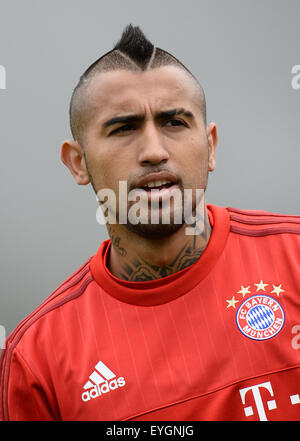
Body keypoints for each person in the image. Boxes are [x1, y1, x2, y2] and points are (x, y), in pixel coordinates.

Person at [1, 24, 300, 422]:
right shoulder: (38, 357)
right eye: (123, 128)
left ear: (210, 146)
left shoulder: (293, 258)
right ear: (77, 162)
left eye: (174, 122)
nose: (154, 151)